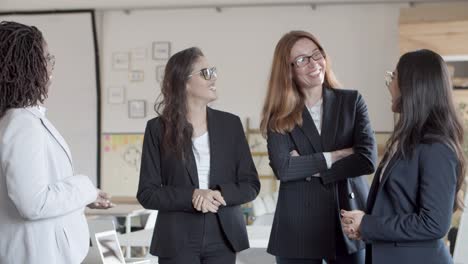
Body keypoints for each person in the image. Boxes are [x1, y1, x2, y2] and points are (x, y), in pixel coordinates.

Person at [260, 30, 377, 264]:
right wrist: (339, 154)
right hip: (297, 225)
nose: (314, 63)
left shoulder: (351, 101)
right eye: (302, 60)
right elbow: (284, 169)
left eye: (316, 54)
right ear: (288, 69)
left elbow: (367, 159)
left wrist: (308, 166)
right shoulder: (279, 114)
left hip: (348, 218)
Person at [0, 21, 112, 264]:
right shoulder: (21, 123)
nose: (51, 68)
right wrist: (86, 188)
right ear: (26, 66)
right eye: (46, 58)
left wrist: (86, 197)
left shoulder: (20, 119)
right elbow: (33, 203)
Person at [137, 47, 260, 264]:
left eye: (213, 71)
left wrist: (218, 194)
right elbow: (147, 193)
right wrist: (194, 195)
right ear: (184, 82)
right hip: (176, 237)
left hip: (223, 235)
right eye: (205, 73)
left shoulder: (230, 124)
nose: (213, 78)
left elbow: (251, 184)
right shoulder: (157, 129)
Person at [341, 49, 465, 264]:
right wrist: (366, 226)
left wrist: (368, 224)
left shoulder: (436, 148)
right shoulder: (407, 139)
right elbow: (400, 205)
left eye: (394, 77)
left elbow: (434, 223)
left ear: (413, 87)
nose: (389, 84)